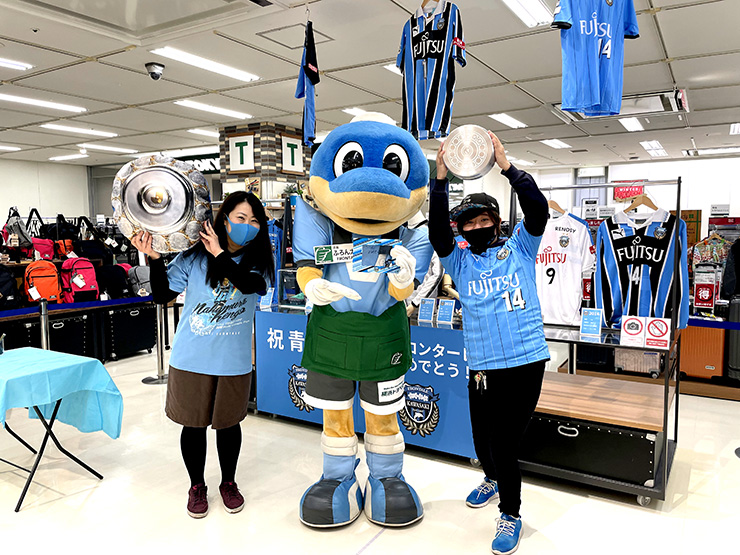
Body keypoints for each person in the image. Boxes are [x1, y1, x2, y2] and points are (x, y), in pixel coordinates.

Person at [428, 132, 549, 555]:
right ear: (462, 229)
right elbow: (437, 235)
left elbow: (537, 210)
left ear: (497, 223)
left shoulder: (520, 248)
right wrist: (439, 179)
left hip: (526, 360)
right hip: (482, 365)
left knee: (504, 443)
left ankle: (510, 513)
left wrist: (507, 167)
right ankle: (492, 477)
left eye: (485, 221)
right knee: (482, 439)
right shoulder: (460, 260)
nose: (478, 228)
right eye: (470, 223)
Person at [131, 191, 274, 519]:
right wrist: (154, 258)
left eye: (255, 221)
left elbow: (247, 285)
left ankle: (228, 482)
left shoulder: (260, 262)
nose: (248, 225)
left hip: (233, 361)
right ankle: (197, 485)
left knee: (228, 425)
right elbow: (162, 296)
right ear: (225, 220)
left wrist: (220, 254)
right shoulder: (193, 258)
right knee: (193, 426)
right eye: (241, 218)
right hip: (191, 358)